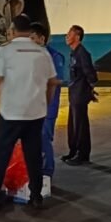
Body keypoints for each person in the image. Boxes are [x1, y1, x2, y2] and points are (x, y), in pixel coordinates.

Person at [0, 15, 58, 211]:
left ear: (13, 30)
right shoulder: (42, 52)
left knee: (1, 156)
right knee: (33, 156)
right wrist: (45, 103)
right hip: (35, 114)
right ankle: (35, 196)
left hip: (10, 114)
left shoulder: (5, 51)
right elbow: (52, 83)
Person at [30, 22, 65, 194]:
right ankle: (36, 174)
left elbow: (56, 82)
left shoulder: (54, 56)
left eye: (33, 39)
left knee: (44, 139)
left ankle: (47, 174)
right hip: (33, 108)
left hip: (47, 108)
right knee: (34, 142)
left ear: (42, 38)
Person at [62, 25, 98, 166]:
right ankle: (73, 150)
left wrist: (90, 89)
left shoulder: (82, 53)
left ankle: (82, 154)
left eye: (69, 34)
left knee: (80, 124)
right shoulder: (74, 53)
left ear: (77, 37)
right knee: (73, 123)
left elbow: (90, 73)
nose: (66, 36)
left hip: (80, 93)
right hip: (74, 92)